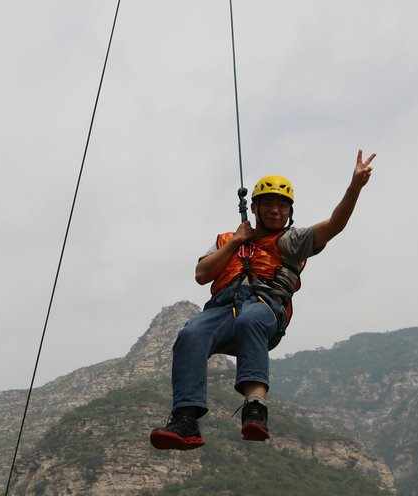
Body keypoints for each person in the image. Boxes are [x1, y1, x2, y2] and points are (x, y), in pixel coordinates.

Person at [149, 150, 376, 450]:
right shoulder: (227, 238)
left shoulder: (291, 241)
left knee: (250, 319)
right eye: (268, 204)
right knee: (191, 333)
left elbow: (335, 224)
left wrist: (354, 187)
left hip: (265, 308)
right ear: (254, 207)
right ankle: (185, 418)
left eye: (282, 206)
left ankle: (255, 407)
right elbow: (202, 274)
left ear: (289, 212)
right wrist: (235, 242)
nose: (275, 211)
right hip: (222, 309)